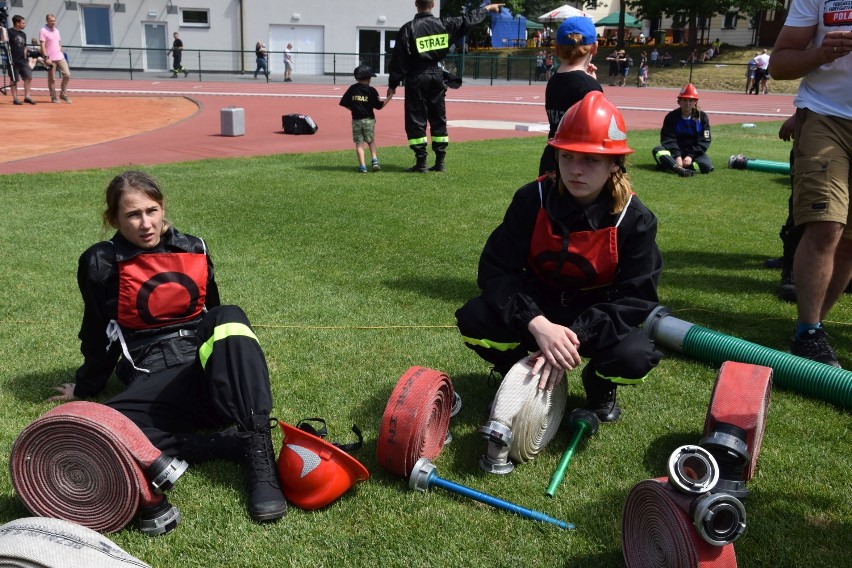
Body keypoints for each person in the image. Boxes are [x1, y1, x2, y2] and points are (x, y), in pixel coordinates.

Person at [48, 171, 289, 522]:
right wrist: (86, 386)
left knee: (229, 316)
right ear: (112, 218)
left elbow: (213, 314)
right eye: (133, 215)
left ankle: (258, 449)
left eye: (151, 211)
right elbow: (98, 332)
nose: (145, 223)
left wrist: (226, 359)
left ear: (162, 209)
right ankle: (221, 445)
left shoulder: (193, 247)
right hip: (158, 388)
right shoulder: (100, 262)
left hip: (208, 380)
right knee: (98, 429)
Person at [456, 91, 664, 423]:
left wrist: (573, 338)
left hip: (595, 314)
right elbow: (496, 271)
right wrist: (537, 324)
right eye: (566, 157)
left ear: (615, 164)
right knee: (474, 317)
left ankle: (598, 387)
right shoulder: (531, 199)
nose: (575, 170)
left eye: (591, 160)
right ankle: (518, 374)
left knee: (636, 355)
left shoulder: (635, 219)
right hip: (538, 304)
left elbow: (636, 298)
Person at [768, 0, 852, 367]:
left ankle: (815, 327)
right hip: (825, 116)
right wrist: (821, 53)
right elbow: (779, 64)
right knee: (825, 223)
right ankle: (809, 332)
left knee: (849, 236)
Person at [387, 1, 503, 173]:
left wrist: (393, 84)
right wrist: (486, 9)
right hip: (438, 76)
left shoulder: (408, 29)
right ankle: (440, 162)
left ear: (416, 4)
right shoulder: (445, 24)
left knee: (416, 119)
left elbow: (399, 59)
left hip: (417, 77)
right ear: (433, 4)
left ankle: (421, 163)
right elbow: (467, 19)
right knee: (438, 117)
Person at [538, 16, 602, 176]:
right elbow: (600, 128)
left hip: (552, 158)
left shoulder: (553, 81)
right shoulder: (588, 86)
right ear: (594, 47)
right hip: (578, 165)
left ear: (557, 49)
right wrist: (594, 86)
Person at [652, 83, 713, 177]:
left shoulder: (702, 117)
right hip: (675, 151)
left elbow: (704, 140)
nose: (687, 103)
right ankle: (677, 167)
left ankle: (670, 165)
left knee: (706, 166)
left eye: (691, 100)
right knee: (657, 150)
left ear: (695, 102)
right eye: (684, 100)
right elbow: (668, 138)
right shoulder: (671, 117)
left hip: (693, 152)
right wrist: (677, 156)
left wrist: (690, 156)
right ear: (679, 101)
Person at [339, 64, 392, 173]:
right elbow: (379, 106)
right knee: (370, 140)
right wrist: (389, 97)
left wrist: (353, 109)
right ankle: (374, 160)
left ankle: (363, 167)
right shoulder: (372, 90)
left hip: (356, 121)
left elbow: (344, 103)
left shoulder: (352, 89)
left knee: (359, 144)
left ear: (356, 77)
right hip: (369, 120)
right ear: (369, 78)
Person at [38, 14, 70, 103]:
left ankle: (63, 94)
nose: (53, 22)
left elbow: (59, 43)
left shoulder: (57, 31)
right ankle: (54, 97)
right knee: (52, 79)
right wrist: (46, 57)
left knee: (67, 74)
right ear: (47, 21)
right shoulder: (43, 30)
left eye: (54, 21)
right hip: (50, 59)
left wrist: (61, 52)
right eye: (51, 21)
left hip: (60, 57)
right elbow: (42, 45)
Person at [4, 15, 35, 105]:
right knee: (14, 79)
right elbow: (4, 40)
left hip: (23, 60)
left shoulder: (23, 34)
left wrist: (26, 57)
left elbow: (24, 47)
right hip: (13, 60)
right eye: (23, 23)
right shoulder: (9, 32)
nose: (24, 24)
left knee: (29, 77)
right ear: (17, 23)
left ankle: (27, 96)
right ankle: (15, 98)